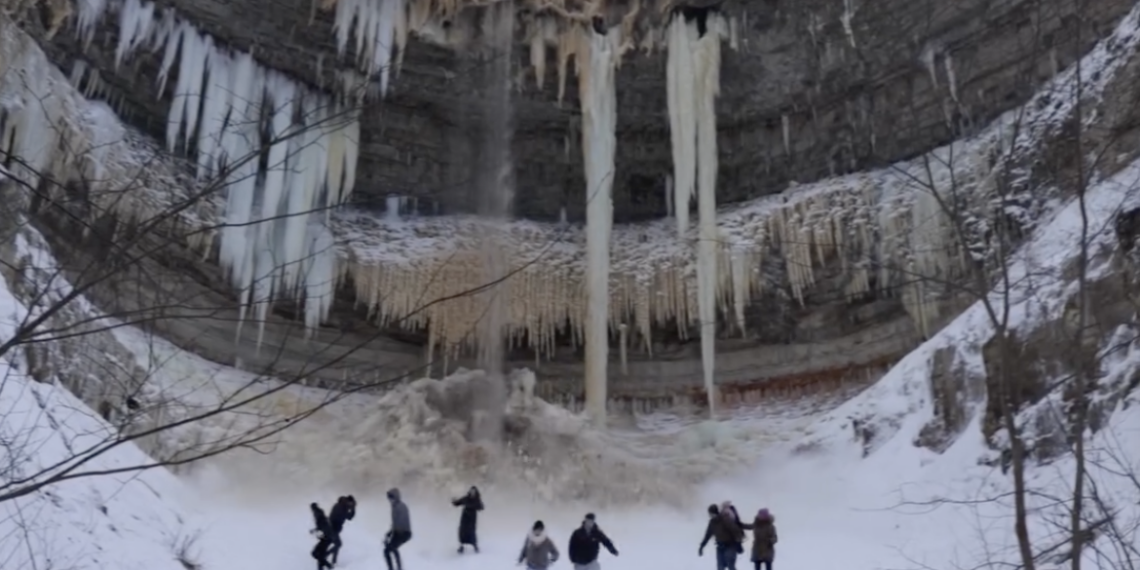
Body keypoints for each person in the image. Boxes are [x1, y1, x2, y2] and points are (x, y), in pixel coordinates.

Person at [699, 503, 746, 570]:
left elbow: (735, 530)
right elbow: (707, 535)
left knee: (730, 565)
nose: (710, 515)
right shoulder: (712, 523)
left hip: (730, 546)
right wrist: (702, 546)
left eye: (711, 514)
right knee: (720, 567)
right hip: (720, 547)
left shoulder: (725, 520)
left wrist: (738, 542)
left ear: (715, 513)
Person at [384, 488, 412, 570]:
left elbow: (402, 521)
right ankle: (395, 568)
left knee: (390, 549)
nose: (389, 500)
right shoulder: (394, 507)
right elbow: (395, 523)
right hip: (398, 532)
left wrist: (395, 532)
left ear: (395, 497)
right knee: (388, 550)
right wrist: (389, 533)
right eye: (389, 498)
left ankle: (397, 568)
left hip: (404, 533)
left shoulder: (401, 507)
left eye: (391, 498)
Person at [452, 486, 484, 553]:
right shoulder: (466, 498)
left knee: (471, 532)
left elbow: (481, 507)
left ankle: (475, 546)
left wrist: (477, 506)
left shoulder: (477, 500)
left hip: (472, 519)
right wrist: (454, 501)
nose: (472, 493)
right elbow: (458, 503)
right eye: (471, 492)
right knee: (462, 531)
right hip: (465, 518)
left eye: (474, 492)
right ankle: (461, 546)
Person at [328, 495, 357, 565]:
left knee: (336, 544)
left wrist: (352, 508)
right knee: (338, 544)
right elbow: (349, 517)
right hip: (332, 528)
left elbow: (349, 517)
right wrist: (353, 509)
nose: (351, 505)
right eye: (351, 503)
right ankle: (326, 556)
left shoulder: (341, 505)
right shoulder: (341, 507)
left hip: (332, 528)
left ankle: (333, 561)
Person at [309, 502, 334, 570]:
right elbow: (321, 526)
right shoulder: (320, 515)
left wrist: (322, 534)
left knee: (317, 554)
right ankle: (328, 566)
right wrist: (315, 530)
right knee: (317, 555)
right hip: (326, 538)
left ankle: (329, 566)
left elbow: (323, 526)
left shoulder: (319, 515)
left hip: (327, 539)